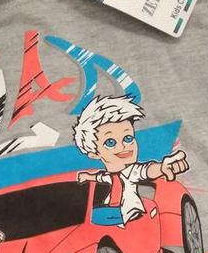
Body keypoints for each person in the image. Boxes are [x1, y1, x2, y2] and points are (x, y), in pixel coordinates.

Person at [72, 94, 190, 224]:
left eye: (128, 138)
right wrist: (87, 176)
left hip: (130, 213)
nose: (123, 146)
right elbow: (100, 177)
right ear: (94, 154)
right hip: (112, 212)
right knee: (94, 217)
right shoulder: (110, 177)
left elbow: (147, 170)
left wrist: (162, 168)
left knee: (99, 218)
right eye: (110, 142)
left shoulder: (132, 172)